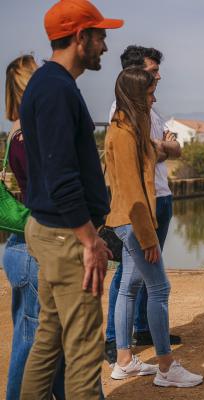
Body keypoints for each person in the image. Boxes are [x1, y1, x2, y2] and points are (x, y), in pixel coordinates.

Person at [19, 1, 123, 398]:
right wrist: (88, 240)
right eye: (100, 36)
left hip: (54, 231)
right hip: (66, 236)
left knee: (50, 336)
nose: (105, 46)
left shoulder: (50, 84)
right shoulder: (56, 88)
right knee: (82, 352)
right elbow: (61, 174)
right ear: (81, 37)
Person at [105, 67, 203, 387]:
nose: (154, 97)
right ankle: (165, 367)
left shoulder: (131, 127)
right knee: (159, 289)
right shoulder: (122, 132)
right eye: (149, 93)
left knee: (129, 287)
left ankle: (124, 361)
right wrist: (148, 237)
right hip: (132, 221)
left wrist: (164, 145)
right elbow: (133, 190)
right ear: (135, 95)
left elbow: (150, 160)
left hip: (130, 220)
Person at [104, 45, 182, 366]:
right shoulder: (122, 121)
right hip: (138, 213)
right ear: (135, 77)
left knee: (140, 281)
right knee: (138, 280)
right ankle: (119, 344)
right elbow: (135, 177)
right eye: (152, 74)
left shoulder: (145, 114)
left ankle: (138, 335)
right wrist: (146, 234)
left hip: (156, 202)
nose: (158, 81)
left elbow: (169, 150)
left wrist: (161, 147)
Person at [3, 55, 66, 400]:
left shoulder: (18, 130)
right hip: (32, 247)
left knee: (47, 341)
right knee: (30, 341)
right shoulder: (29, 135)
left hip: (22, 244)